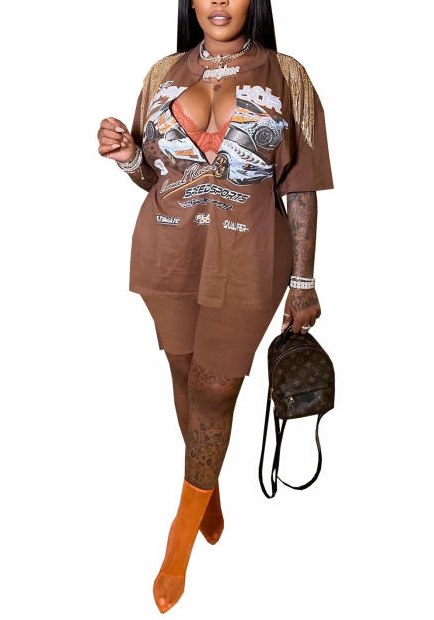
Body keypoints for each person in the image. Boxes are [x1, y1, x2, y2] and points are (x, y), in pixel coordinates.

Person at [97, 0, 333, 613]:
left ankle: (178, 540)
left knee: (213, 388)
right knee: (183, 377)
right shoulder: (162, 73)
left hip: (250, 256)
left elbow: (301, 186)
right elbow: (153, 175)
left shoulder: (286, 75)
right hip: (168, 252)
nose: (220, 1)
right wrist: (127, 156)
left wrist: (304, 281)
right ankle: (208, 490)